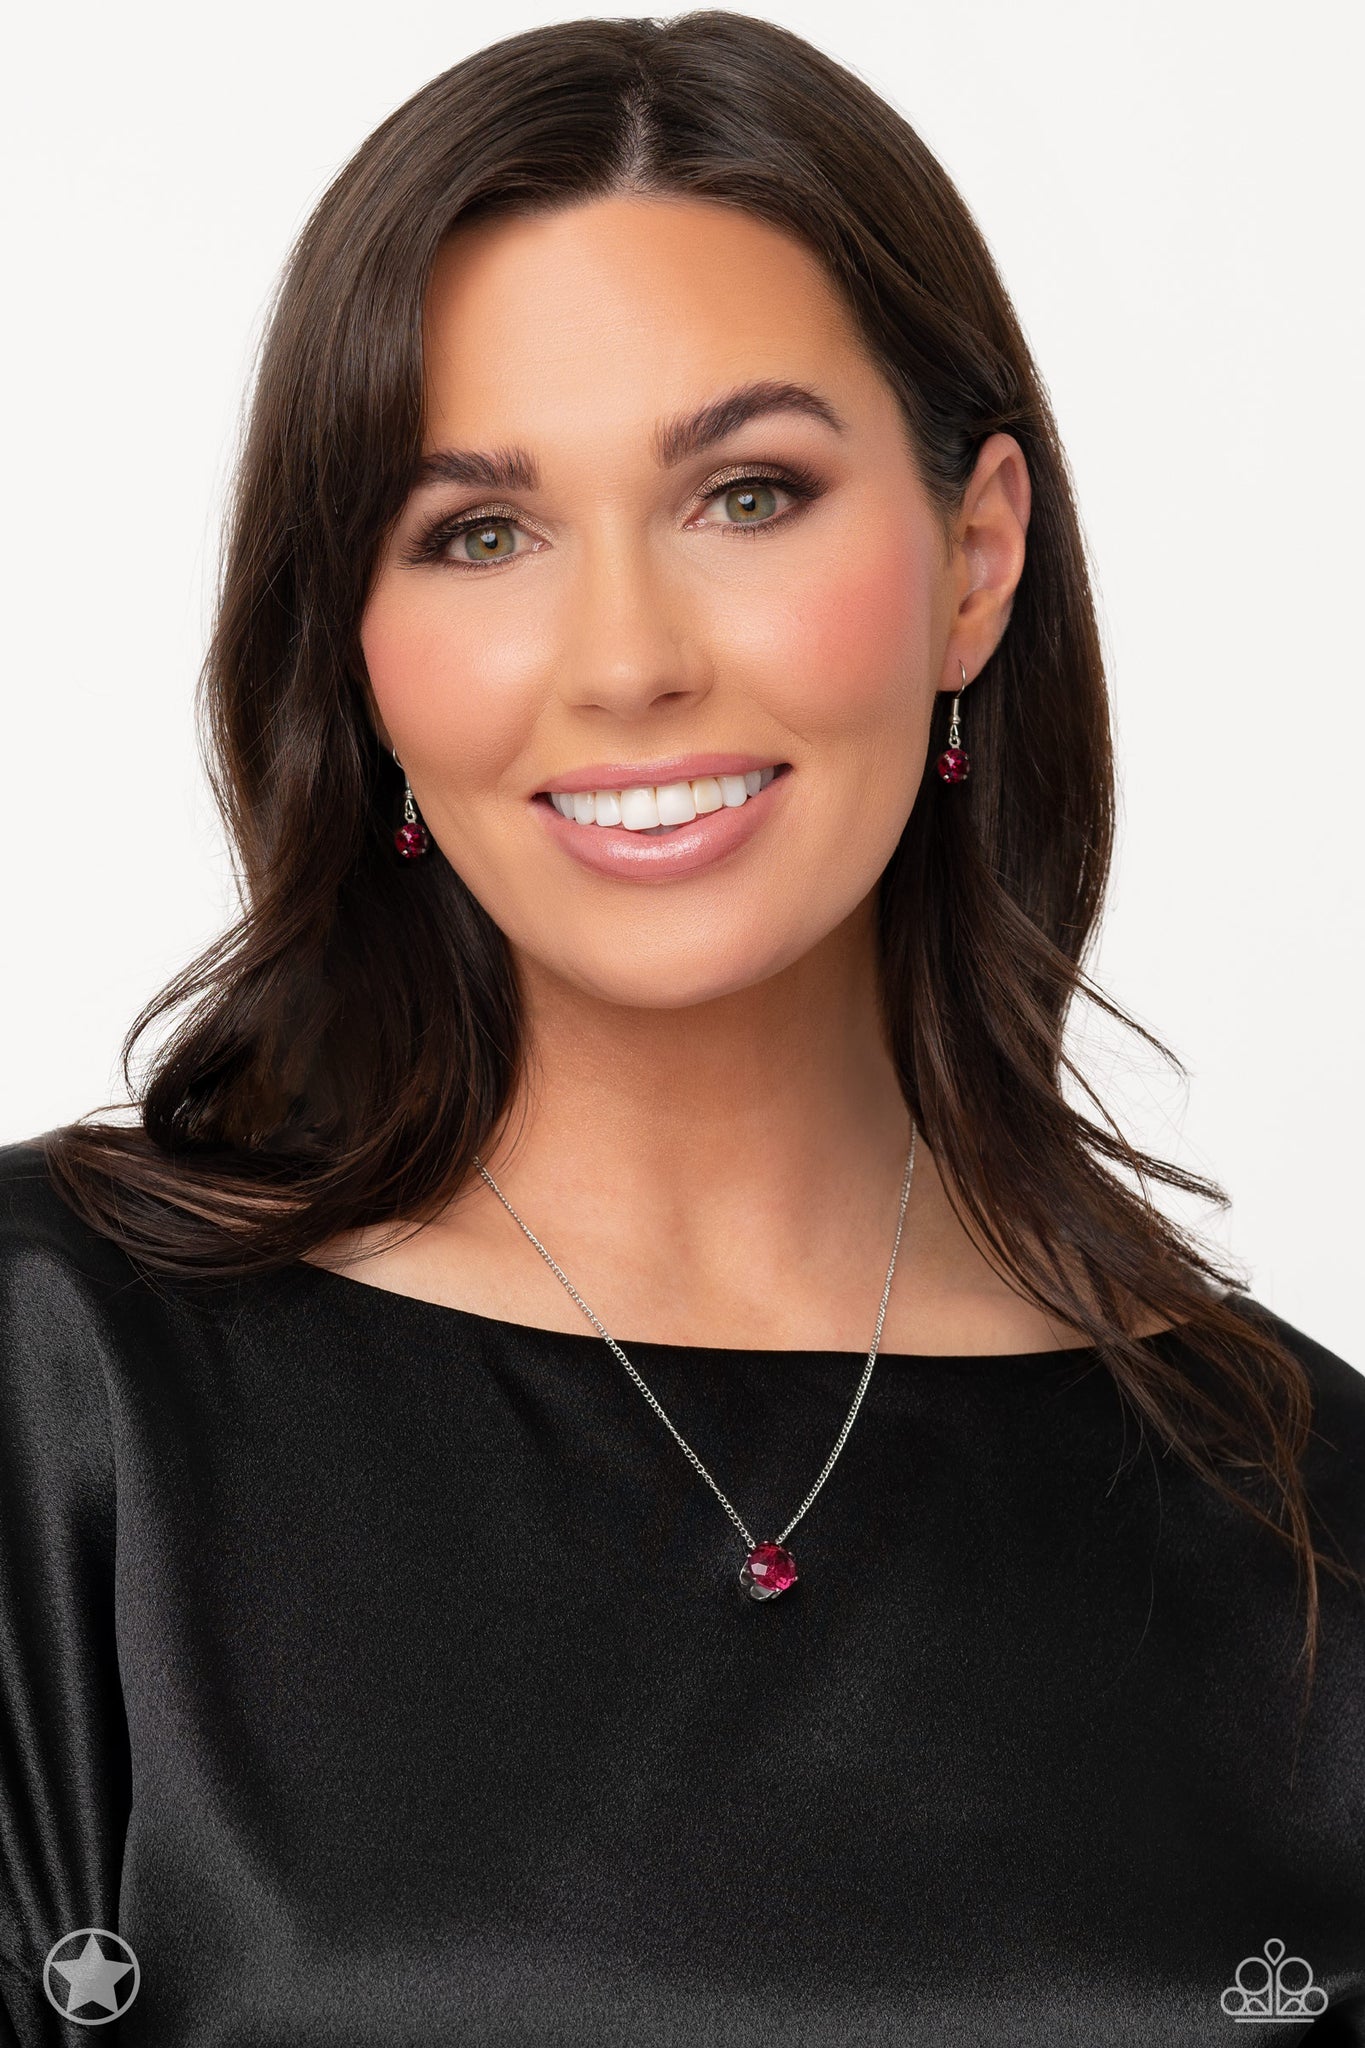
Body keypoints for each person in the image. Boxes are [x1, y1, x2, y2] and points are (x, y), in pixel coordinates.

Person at [2, 12, 1362, 2043]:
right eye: (477, 532)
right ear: (357, 647)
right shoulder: (64, 1381)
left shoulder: (1305, 1523)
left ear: (974, 555)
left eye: (746, 493)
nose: (627, 660)